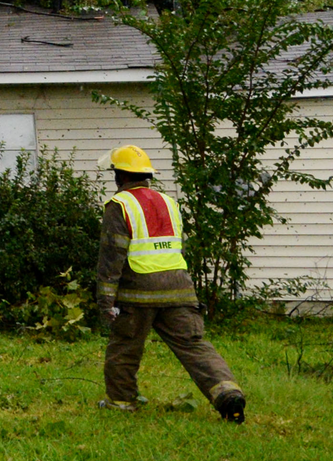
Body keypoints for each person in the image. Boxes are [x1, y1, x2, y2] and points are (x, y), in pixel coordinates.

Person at [94, 144, 247, 423]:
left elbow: (111, 257)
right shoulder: (169, 203)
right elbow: (177, 248)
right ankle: (227, 393)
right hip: (179, 289)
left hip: (138, 294)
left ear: (120, 176)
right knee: (194, 346)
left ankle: (121, 401)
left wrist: (105, 301)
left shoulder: (119, 206)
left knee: (124, 348)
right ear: (146, 175)